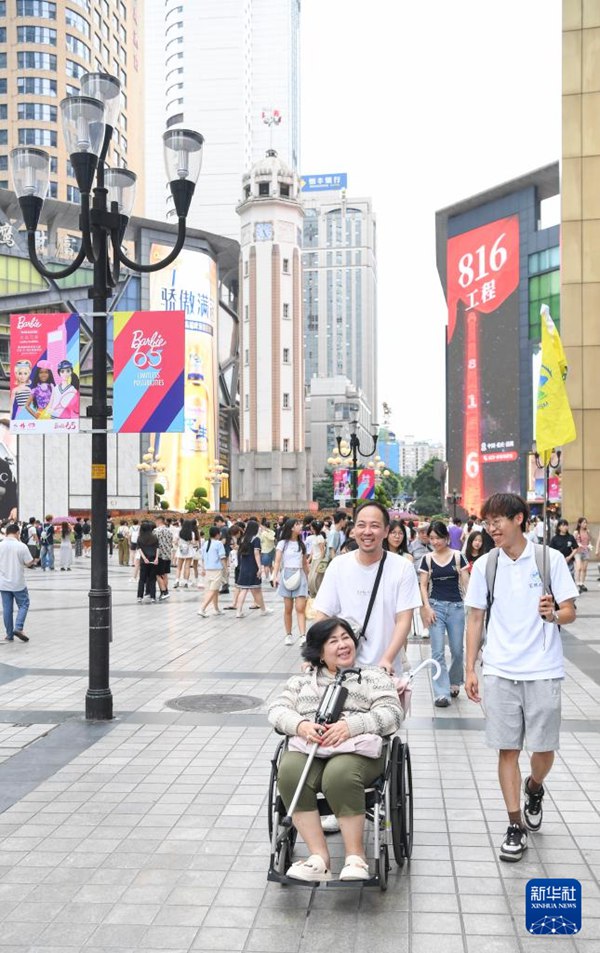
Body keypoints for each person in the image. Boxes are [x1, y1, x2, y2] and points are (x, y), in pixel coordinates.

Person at [464, 493, 578, 863]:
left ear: (519, 520)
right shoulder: (485, 566)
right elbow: (476, 618)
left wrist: (552, 615)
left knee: (543, 750)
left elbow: (569, 612)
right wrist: (470, 668)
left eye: (498, 520)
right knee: (507, 748)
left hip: (543, 668)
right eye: (488, 522)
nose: (492, 528)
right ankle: (514, 824)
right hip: (499, 669)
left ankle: (534, 786)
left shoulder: (550, 559)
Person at [268, 617, 403, 882]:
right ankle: (319, 858)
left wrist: (351, 725)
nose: (343, 645)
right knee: (290, 772)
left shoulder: (373, 677)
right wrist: (302, 725)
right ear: (319, 651)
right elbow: (276, 710)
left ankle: (356, 858)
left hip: (358, 751)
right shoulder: (300, 682)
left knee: (339, 774)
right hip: (310, 748)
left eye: (346, 638)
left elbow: (393, 713)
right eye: (333, 641)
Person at [314, 501, 421, 675]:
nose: (367, 532)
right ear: (354, 529)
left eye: (375, 526)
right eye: (361, 525)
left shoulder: (403, 567)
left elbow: (404, 620)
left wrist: (387, 658)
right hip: (342, 671)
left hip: (385, 671)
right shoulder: (338, 565)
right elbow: (322, 615)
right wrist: (315, 656)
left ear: (386, 531)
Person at [419, 520, 470, 707]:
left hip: (456, 607)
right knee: (437, 651)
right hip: (435, 607)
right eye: (432, 538)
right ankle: (441, 693)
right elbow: (423, 585)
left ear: (447, 538)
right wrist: (427, 607)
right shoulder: (427, 559)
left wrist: (471, 606)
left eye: (439, 537)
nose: (435, 541)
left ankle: (454, 681)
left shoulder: (458, 556)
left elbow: (466, 582)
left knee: (457, 650)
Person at [273, 518, 310, 646]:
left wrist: (308, 579)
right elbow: (277, 561)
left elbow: (305, 564)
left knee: (300, 608)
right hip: (287, 575)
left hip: (300, 575)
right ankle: (288, 634)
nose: (300, 526)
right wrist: (275, 576)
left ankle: (302, 636)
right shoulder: (283, 543)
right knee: (288, 608)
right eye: (297, 524)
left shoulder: (302, 544)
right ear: (291, 528)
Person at [0, 522, 33, 642]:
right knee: (24, 604)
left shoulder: (0, 545)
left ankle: (9, 635)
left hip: (3, 583)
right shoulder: (21, 546)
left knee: (7, 609)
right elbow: (29, 562)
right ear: (17, 533)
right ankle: (18, 627)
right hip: (18, 583)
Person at [235, 519, 273, 618]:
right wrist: (259, 568)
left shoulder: (243, 539)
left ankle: (239, 611)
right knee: (257, 589)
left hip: (244, 566)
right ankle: (263, 610)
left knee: (244, 589)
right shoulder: (255, 539)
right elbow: (256, 554)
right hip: (252, 567)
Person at [197, 526, 228, 616]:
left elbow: (202, 558)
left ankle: (216, 609)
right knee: (213, 590)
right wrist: (226, 569)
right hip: (216, 570)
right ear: (217, 534)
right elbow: (222, 558)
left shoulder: (206, 543)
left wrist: (203, 568)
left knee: (214, 590)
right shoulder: (219, 544)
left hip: (207, 570)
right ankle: (202, 609)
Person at [136, 520, 159, 603]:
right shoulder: (154, 537)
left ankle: (139, 596)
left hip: (144, 561)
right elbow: (157, 548)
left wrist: (144, 558)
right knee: (152, 579)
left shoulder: (140, 538)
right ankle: (153, 596)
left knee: (142, 579)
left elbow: (139, 549)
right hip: (153, 561)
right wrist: (156, 558)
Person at [173, 518, 197, 589]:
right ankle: (186, 582)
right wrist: (189, 542)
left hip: (180, 550)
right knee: (187, 567)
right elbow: (193, 543)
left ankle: (177, 580)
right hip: (189, 550)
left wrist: (179, 544)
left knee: (179, 567)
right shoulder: (192, 533)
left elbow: (175, 541)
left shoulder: (179, 531)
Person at [154, 515, 173, 601]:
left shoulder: (156, 531)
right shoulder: (169, 531)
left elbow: (154, 543)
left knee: (158, 574)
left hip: (160, 555)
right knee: (165, 574)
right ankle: (166, 591)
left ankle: (164, 591)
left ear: (158, 521)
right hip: (168, 555)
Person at [574, 516, 592, 593]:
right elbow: (573, 541)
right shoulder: (576, 532)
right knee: (579, 568)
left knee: (584, 569)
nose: (585, 524)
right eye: (584, 522)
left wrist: (590, 546)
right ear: (579, 523)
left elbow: (589, 540)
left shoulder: (587, 531)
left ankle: (582, 583)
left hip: (586, 551)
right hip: (578, 551)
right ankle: (577, 583)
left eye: (586, 522)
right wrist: (578, 544)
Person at [259, 518, 276, 585]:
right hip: (272, 549)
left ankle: (266, 577)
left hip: (265, 550)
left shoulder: (264, 533)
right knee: (271, 565)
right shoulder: (272, 532)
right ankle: (272, 576)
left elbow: (261, 540)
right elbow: (273, 538)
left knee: (266, 565)